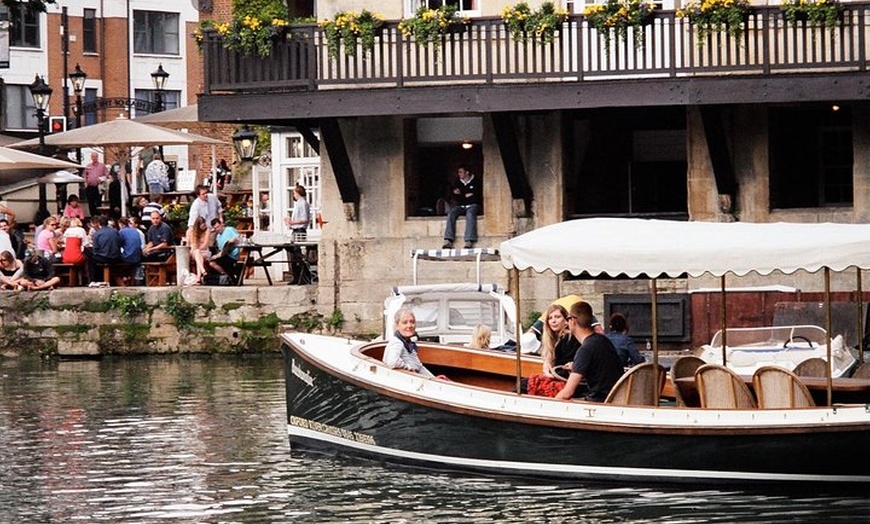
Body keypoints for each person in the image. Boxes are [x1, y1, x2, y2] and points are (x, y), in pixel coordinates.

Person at [555, 301, 625, 402]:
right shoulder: (603, 340)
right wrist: (576, 366)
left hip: (598, 403)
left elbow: (567, 393)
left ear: (573, 321)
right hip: (615, 398)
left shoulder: (585, 349)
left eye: (568, 318)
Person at [383, 307, 435, 378]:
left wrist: (434, 379)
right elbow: (392, 362)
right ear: (397, 326)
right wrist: (407, 367)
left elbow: (418, 366)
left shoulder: (408, 342)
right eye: (405, 322)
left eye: (412, 322)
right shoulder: (397, 343)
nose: (409, 325)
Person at [442, 166, 482, 249]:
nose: (459, 174)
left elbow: (477, 196)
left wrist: (462, 194)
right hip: (461, 206)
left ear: (467, 172)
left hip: (473, 205)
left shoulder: (476, 181)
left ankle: (469, 241)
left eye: (461, 172)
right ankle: (448, 240)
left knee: (470, 214)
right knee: (451, 213)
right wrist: (466, 195)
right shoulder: (457, 182)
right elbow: (455, 197)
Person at [85, 215, 121, 284]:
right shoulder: (115, 231)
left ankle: (92, 280)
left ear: (98, 223)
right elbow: (119, 243)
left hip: (104, 257)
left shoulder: (97, 234)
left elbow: (95, 250)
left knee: (89, 258)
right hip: (116, 257)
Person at [186, 216, 211, 285]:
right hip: (194, 251)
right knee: (197, 253)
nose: (204, 226)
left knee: (198, 255)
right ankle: (202, 273)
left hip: (204, 251)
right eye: (202, 225)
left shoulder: (207, 231)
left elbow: (205, 244)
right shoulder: (191, 232)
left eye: (204, 224)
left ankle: (199, 276)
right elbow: (190, 244)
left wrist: (198, 249)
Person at [83, 151, 108, 217]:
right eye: (92, 156)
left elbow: (107, 175)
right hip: (90, 187)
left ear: (97, 157)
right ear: (91, 157)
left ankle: (98, 216)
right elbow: (85, 175)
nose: (94, 158)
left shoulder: (102, 166)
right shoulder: (88, 166)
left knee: (98, 202)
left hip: (98, 187)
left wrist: (102, 179)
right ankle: (92, 216)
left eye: (95, 156)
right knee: (90, 203)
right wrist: (85, 183)